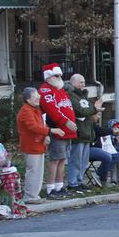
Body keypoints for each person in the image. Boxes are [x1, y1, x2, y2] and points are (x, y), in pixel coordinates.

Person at [17, 86, 64, 204]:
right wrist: (51, 131)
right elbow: (33, 127)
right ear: (28, 99)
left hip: (38, 144)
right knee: (33, 171)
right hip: (31, 145)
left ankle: (34, 195)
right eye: (35, 96)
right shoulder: (25, 111)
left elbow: (42, 124)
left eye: (38, 95)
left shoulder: (36, 110)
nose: (39, 97)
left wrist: (46, 135)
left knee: (38, 171)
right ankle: (30, 196)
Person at [38, 63, 78, 200]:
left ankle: (59, 186)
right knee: (55, 159)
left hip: (67, 131)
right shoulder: (45, 90)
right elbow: (52, 110)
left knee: (62, 159)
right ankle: (50, 188)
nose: (60, 77)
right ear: (49, 76)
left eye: (60, 75)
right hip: (57, 129)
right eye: (57, 75)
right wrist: (66, 122)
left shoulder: (60, 90)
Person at [66, 73, 103, 193]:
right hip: (78, 133)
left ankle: (80, 181)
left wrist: (93, 111)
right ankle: (72, 183)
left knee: (84, 161)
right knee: (75, 160)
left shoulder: (84, 96)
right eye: (80, 82)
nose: (83, 84)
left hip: (87, 132)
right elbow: (80, 111)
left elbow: (88, 111)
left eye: (83, 82)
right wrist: (94, 109)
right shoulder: (70, 96)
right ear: (72, 83)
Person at [0, 125, 27, 218]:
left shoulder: (0, 146)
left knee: (15, 175)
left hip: (4, 170)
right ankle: (11, 204)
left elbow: (6, 161)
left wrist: (7, 160)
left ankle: (17, 203)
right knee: (9, 178)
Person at [89, 122, 119, 187]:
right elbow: (99, 131)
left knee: (118, 156)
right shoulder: (91, 125)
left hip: (103, 150)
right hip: (91, 148)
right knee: (107, 156)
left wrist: (115, 139)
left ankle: (98, 173)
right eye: (97, 115)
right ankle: (102, 179)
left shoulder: (99, 126)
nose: (98, 117)